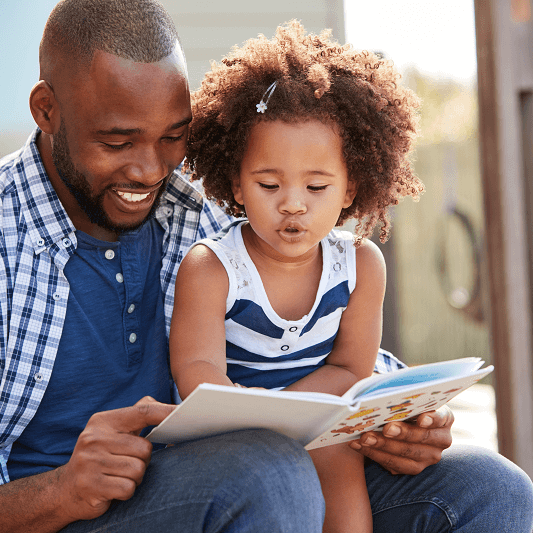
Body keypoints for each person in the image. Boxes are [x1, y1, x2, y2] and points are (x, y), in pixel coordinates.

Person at [0, 1, 533, 532]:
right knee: (266, 473)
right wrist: (62, 490)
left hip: (237, 480)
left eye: (171, 136)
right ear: (46, 111)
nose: (151, 169)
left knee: (489, 487)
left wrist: (395, 415)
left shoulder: (211, 205)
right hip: (68, 513)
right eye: (117, 140)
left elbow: (307, 342)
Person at [170, 21, 426, 533]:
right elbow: (198, 376)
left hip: (321, 417)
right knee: (275, 479)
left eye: (316, 185)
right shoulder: (213, 267)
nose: (292, 203)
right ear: (237, 185)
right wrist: (271, 422)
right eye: (268, 184)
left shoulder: (360, 265)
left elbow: (352, 366)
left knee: (342, 479)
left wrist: (296, 414)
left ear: (351, 188)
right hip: (233, 437)